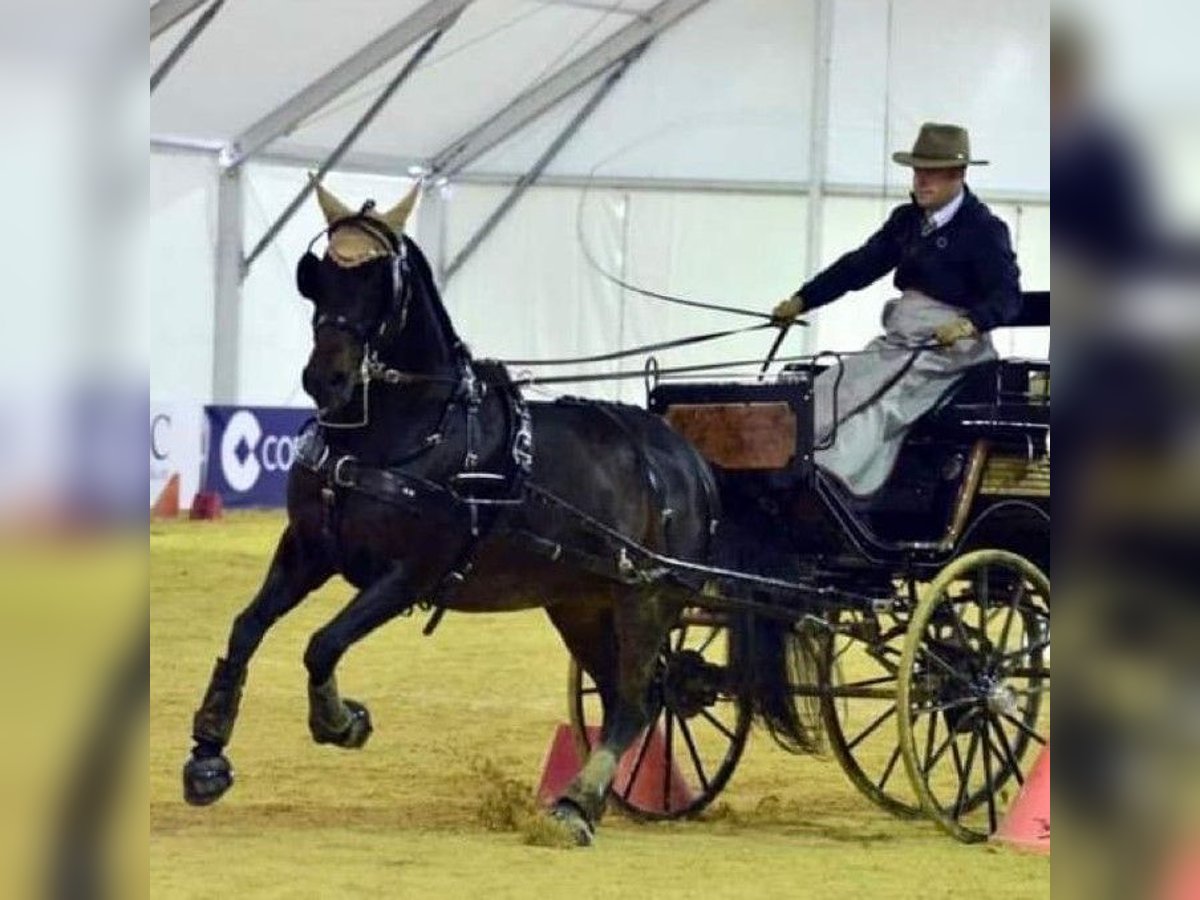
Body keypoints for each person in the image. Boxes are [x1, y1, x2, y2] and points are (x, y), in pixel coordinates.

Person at [772, 122, 1022, 496]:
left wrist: (969, 323)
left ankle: (831, 481)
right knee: (834, 385)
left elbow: (1007, 296)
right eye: (917, 171)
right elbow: (859, 265)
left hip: (950, 353)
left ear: (958, 175)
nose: (921, 181)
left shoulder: (984, 229)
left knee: (880, 402)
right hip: (902, 340)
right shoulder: (907, 222)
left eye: (931, 173)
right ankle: (783, 457)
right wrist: (804, 298)